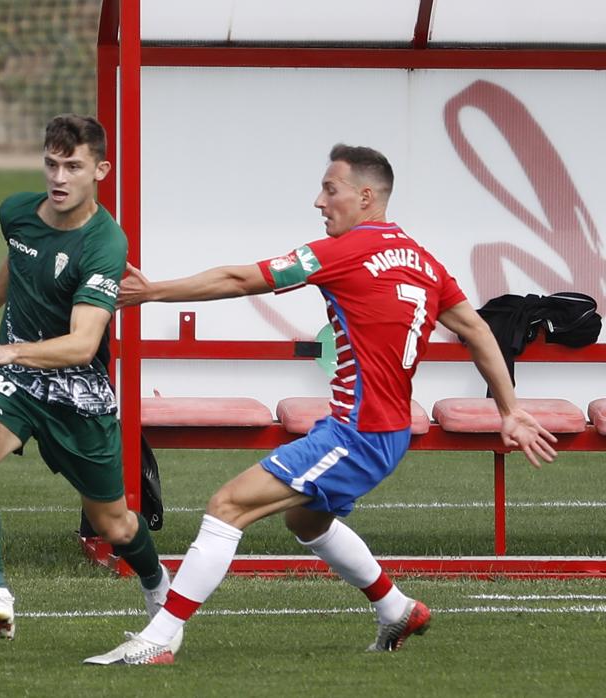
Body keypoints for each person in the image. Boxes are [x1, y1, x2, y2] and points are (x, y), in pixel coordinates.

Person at [84, 144, 559, 665]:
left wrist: (153, 292)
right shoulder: (424, 261)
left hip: (359, 433)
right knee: (307, 521)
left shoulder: (344, 251)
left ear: (366, 196)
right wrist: (509, 410)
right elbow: (477, 330)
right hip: (387, 430)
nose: (319, 201)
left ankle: (161, 636)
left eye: (330, 190)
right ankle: (397, 607)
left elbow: (243, 279)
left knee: (227, 507)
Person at [0, 114, 176, 646]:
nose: (59, 177)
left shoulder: (105, 244)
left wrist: (4, 348)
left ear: (99, 169)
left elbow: (82, 343)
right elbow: (19, 259)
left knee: (115, 525)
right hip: (15, 381)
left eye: (73, 166)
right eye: (51, 164)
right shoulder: (16, 212)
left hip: (77, 391)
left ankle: (158, 588)